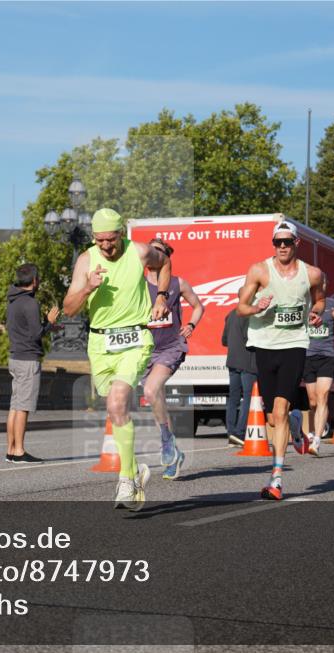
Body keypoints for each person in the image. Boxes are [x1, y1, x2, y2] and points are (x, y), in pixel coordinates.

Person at [63, 208, 171, 511]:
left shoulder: (139, 252)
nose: (106, 246)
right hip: (100, 343)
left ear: (121, 234)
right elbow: (69, 309)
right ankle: (136, 470)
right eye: (100, 241)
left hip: (135, 339)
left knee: (117, 403)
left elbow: (165, 264)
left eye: (110, 240)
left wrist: (161, 295)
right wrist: (87, 287)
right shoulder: (86, 260)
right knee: (114, 409)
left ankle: (125, 480)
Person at [236, 220, 325, 501]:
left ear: (297, 243)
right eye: (278, 242)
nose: (283, 247)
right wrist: (256, 307)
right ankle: (297, 426)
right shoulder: (259, 270)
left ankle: (276, 478)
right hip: (264, 344)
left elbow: (319, 300)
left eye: (287, 242)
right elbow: (240, 308)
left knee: (281, 407)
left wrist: (316, 312)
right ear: (273, 244)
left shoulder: (312, 274)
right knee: (274, 417)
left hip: (294, 344)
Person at [140, 237, 204, 480]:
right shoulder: (138, 284)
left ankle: (166, 442)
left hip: (171, 346)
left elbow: (198, 306)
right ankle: (173, 450)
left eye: (158, 251)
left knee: (151, 389)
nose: (152, 255)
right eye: (150, 251)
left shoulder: (178, 283)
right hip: (146, 349)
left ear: (166, 257)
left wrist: (190, 324)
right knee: (156, 399)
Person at [5, 263, 60, 464]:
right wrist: (50, 321)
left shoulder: (13, 300)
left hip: (15, 357)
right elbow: (36, 333)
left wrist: (47, 326)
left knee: (15, 406)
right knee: (23, 407)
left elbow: (27, 329)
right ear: (34, 281)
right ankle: (19, 451)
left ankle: (10, 450)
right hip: (28, 359)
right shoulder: (30, 303)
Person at [302, 274, 334, 454]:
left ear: (325, 285)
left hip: (327, 356)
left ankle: (316, 440)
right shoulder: (304, 305)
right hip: (307, 356)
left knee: (323, 396)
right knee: (313, 401)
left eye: (321, 284)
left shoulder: (333, 304)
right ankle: (316, 429)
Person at [222, 307, 258, 447]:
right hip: (247, 361)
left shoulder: (230, 314)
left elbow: (224, 340)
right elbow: (249, 338)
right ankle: (240, 433)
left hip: (232, 361)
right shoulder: (248, 314)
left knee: (233, 398)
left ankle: (231, 433)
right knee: (248, 397)